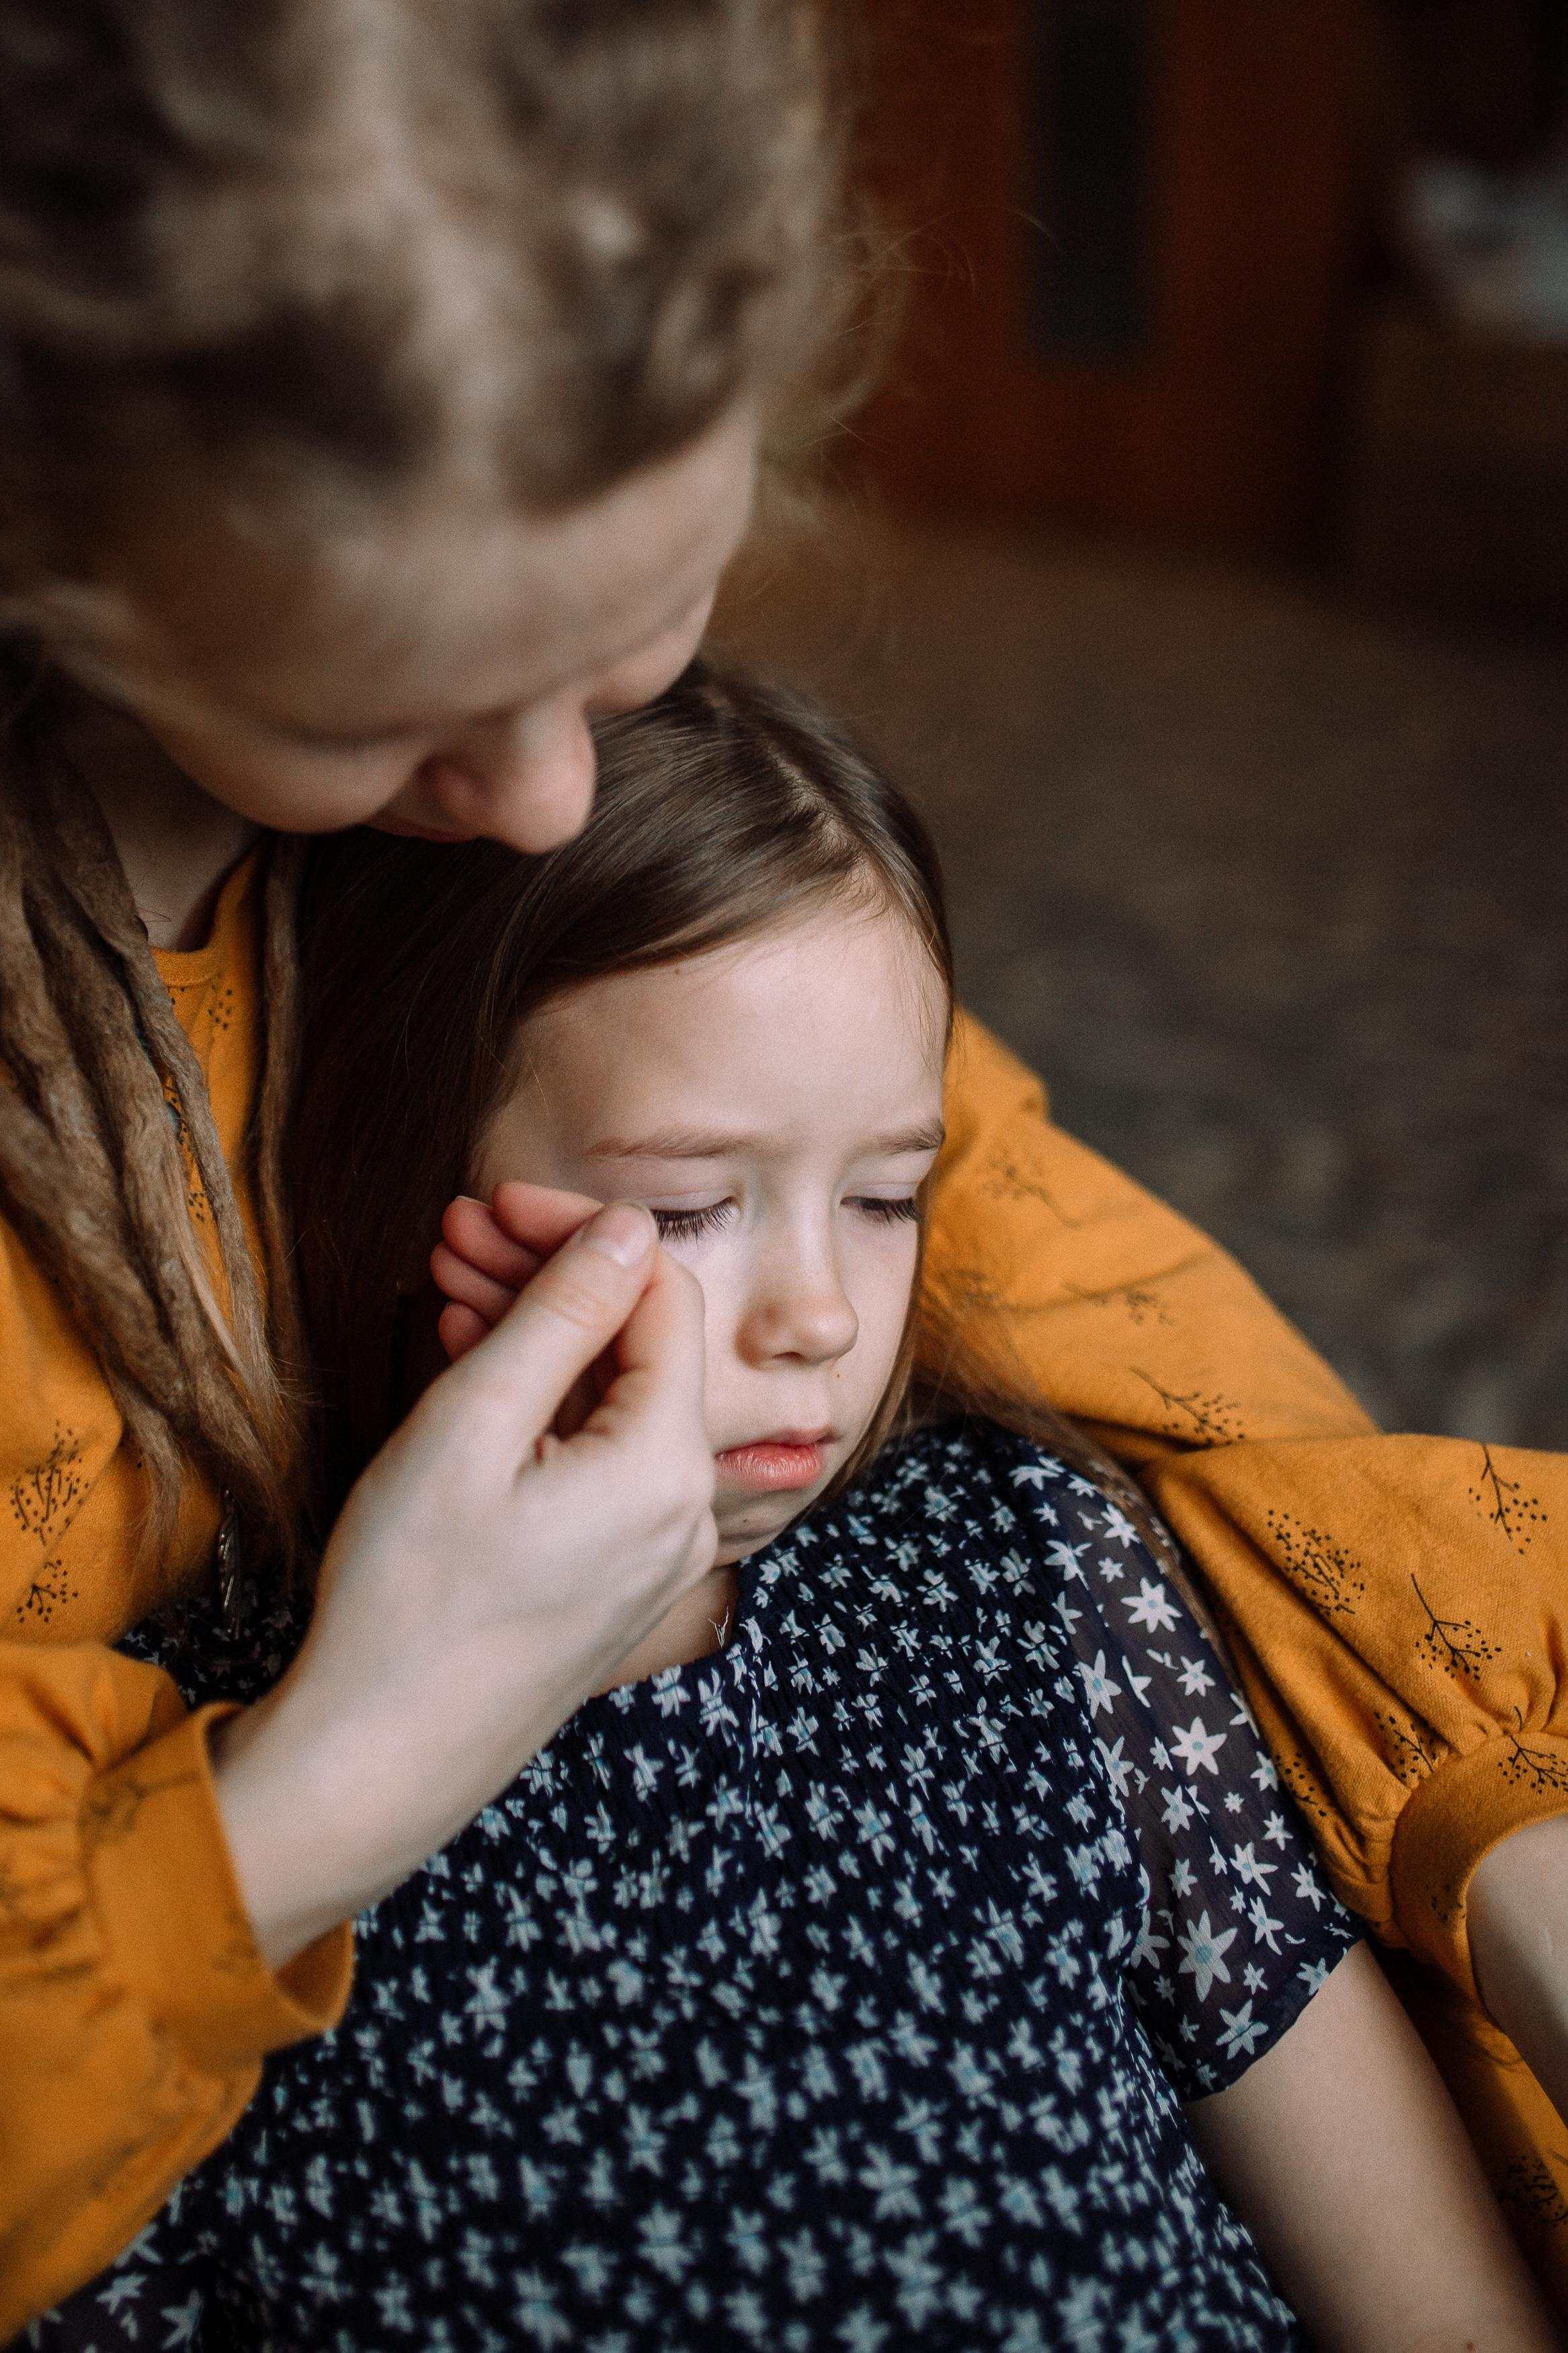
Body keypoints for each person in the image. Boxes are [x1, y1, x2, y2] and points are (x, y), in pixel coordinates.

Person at [0, 0, 1565, 2335]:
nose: (543, 798)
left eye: (635, 639)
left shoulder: (1002, 1558)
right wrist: (354, 1766)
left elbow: (1142, 1361)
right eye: (380, 717)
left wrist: (1510, 1846)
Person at [33, 665, 1553, 2350]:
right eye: (690, 1209)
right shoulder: (172, 1763)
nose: (821, 1313)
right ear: (399, 1185)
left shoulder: (1027, 1566)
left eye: (892, 1192)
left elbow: (1423, 2290)